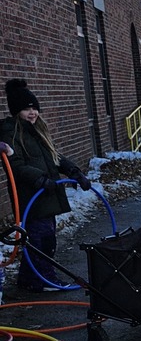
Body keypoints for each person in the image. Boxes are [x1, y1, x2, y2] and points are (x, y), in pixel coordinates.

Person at [1, 78, 91, 292]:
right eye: (26, 109)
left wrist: (74, 172)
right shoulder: (11, 133)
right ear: (16, 111)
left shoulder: (38, 130)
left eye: (34, 108)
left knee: (43, 238)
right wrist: (40, 179)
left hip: (47, 195)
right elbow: (16, 165)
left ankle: (28, 278)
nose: (32, 113)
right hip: (31, 196)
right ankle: (43, 280)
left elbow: (55, 157)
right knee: (42, 240)